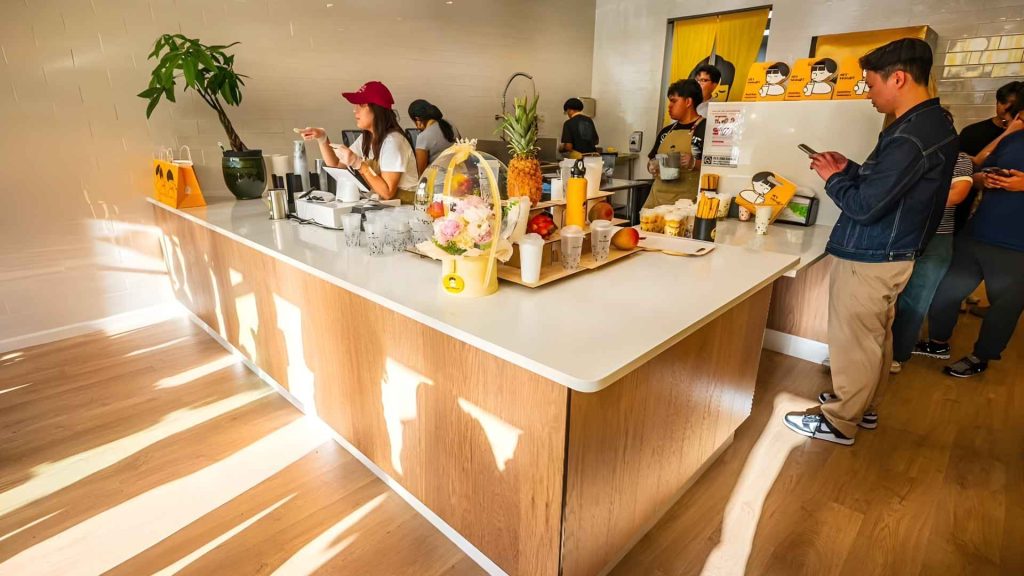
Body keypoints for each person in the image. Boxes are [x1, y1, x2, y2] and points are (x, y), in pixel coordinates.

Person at [783, 38, 958, 446]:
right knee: (875, 337)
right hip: (892, 250)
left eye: (871, 84)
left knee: (854, 341)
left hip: (872, 252)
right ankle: (863, 405)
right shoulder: (931, 125)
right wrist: (850, 168)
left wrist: (833, 178)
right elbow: (894, 187)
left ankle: (840, 419)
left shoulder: (911, 135)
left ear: (898, 78)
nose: (868, 94)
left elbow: (865, 206)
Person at [916, 101, 1024, 378]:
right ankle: (938, 342)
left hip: (1017, 246)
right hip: (978, 232)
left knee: (1004, 307)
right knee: (946, 291)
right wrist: (983, 180)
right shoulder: (1012, 140)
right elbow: (976, 171)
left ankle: (981, 356)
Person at [889, 148, 973, 372]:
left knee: (916, 300)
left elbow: (957, 195)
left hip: (936, 237)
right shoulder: (904, 152)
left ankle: (896, 354)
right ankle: (867, 350)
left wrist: (904, 199)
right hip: (896, 232)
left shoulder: (958, 158)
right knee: (881, 294)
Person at [298, 80, 418, 204]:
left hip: (405, 209)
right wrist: (322, 138)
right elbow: (337, 165)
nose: (355, 110)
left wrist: (359, 164)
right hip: (384, 208)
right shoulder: (366, 138)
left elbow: (387, 192)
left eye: (361, 104)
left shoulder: (393, 141)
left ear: (377, 109)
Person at [644, 79, 706, 207]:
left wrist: (693, 163)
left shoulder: (704, 128)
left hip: (686, 203)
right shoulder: (666, 131)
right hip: (656, 201)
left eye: (674, 101)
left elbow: (717, 167)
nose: (669, 106)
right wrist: (652, 166)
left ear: (688, 102)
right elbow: (651, 160)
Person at [407, 99, 458, 174]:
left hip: (438, 178)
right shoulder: (450, 124)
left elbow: (421, 172)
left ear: (417, 119)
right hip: (459, 174)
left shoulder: (423, 137)